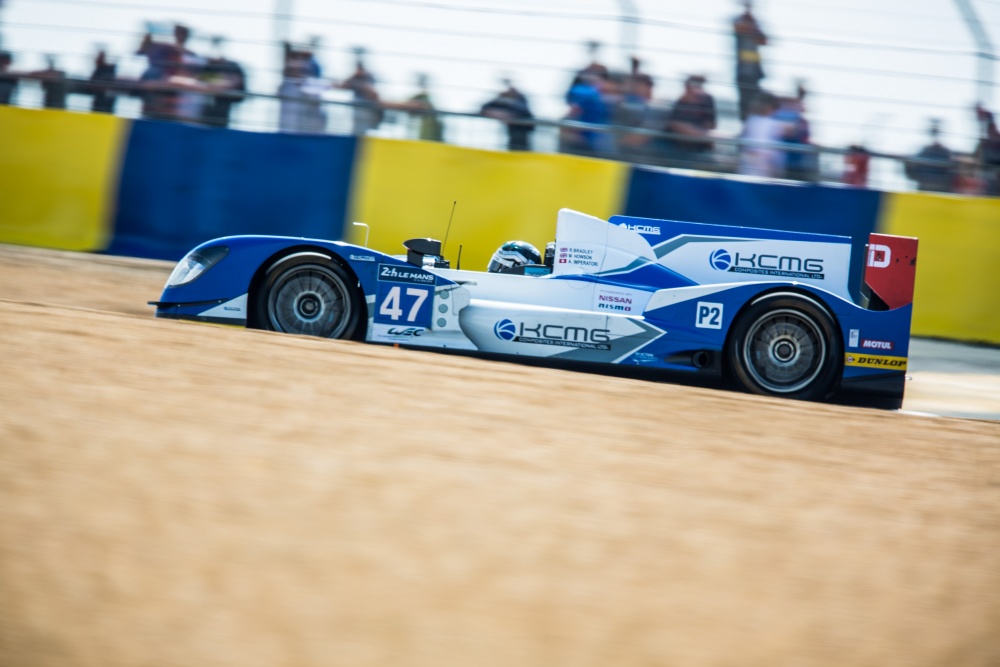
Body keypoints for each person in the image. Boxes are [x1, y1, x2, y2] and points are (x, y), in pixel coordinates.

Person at [662, 75, 716, 168]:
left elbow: (710, 127)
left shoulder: (707, 101)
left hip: (698, 148)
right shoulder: (680, 102)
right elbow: (675, 125)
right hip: (676, 147)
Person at [733, 0, 768, 121]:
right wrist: (749, 18)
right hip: (743, 70)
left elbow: (764, 40)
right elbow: (740, 28)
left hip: (755, 71)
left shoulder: (754, 23)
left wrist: (753, 21)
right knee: (745, 101)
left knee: (756, 100)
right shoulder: (739, 21)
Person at [200, 38, 246, 128]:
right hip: (203, 116)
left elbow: (237, 84)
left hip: (223, 116)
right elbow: (201, 82)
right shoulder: (208, 66)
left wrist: (218, 83)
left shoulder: (233, 66)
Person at [480, 77, 535, 151]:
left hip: (522, 128)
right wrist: (498, 113)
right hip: (512, 128)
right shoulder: (501, 98)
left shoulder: (520, 99)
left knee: (520, 145)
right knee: (513, 145)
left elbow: (522, 112)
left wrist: (506, 114)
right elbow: (484, 108)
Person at [739, 91, 783, 177]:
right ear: (769, 107)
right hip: (761, 168)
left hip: (753, 167)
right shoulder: (766, 123)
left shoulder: (750, 121)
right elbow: (762, 150)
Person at [905, 119, 956, 193]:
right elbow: (912, 172)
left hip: (940, 191)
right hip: (925, 190)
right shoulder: (924, 152)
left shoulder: (946, 153)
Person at [339, 47, 382, 135]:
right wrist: (354, 76)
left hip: (365, 107)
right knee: (356, 130)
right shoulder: (355, 77)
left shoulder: (369, 76)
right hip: (357, 108)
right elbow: (342, 87)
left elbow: (373, 94)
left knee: (361, 131)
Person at [87, 49, 118, 114]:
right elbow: (90, 84)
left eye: (99, 57)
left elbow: (111, 84)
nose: (97, 59)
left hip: (106, 101)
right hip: (98, 101)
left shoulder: (109, 69)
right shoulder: (98, 69)